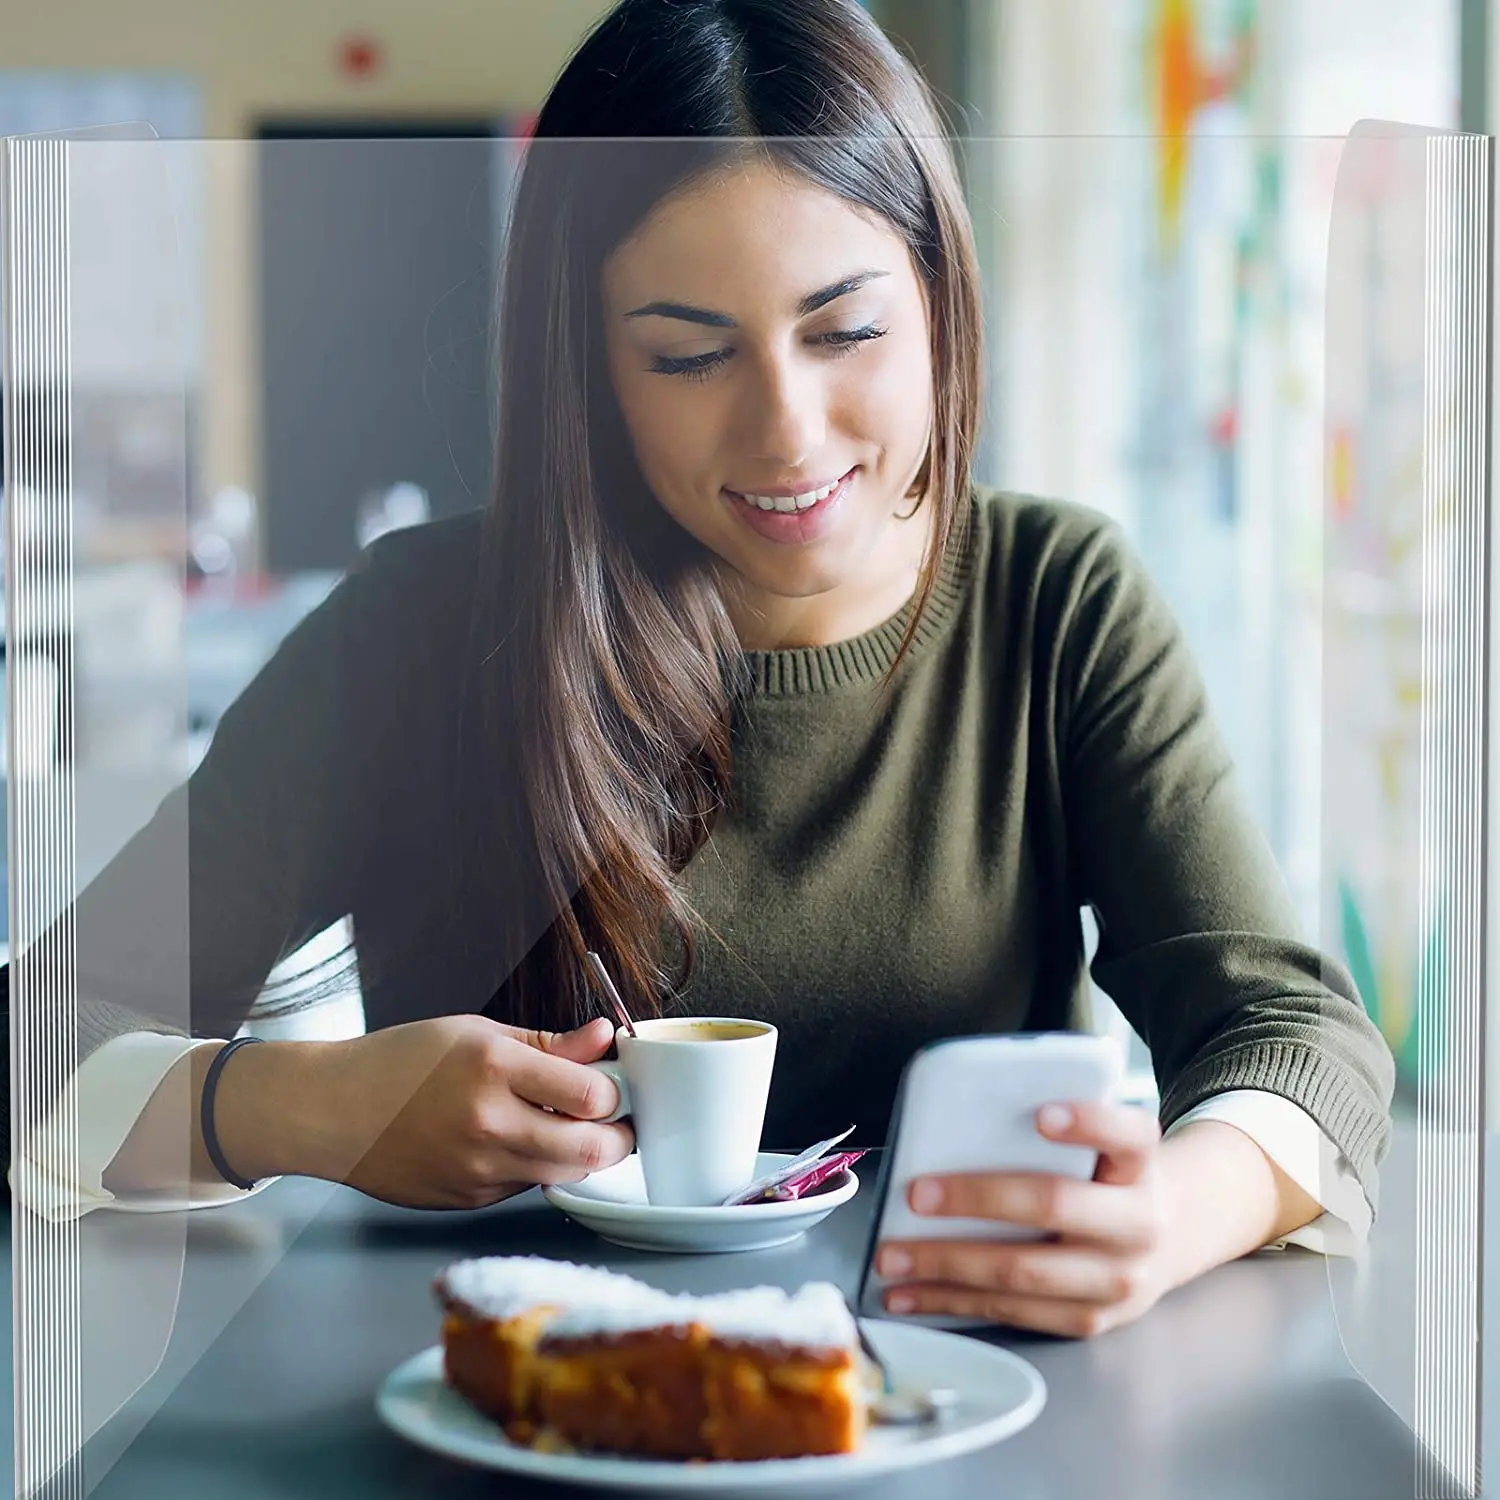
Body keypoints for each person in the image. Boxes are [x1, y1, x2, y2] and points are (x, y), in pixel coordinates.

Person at [8, 0, 1392, 1341]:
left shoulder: (1056, 600)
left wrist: (1171, 1214)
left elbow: (1294, 1036)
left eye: (846, 332)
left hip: (953, 1413)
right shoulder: (423, 630)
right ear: (589, 367)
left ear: (939, 301)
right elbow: (39, 1037)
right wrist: (310, 1108)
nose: (787, 432)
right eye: (688, 355)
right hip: (484, 1414)